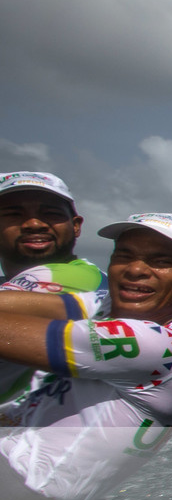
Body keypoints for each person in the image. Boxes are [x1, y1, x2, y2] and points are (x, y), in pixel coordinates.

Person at [0, 212, 172, 500]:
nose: (136, 269)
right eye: (123, 256)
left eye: (161, 261)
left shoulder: (163, 347)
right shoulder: (105, 310)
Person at [0, 171, 110, 403]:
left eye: (50, 214)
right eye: (14, 214)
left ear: (76, 226)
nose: (34, 224)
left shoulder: (76, 277)